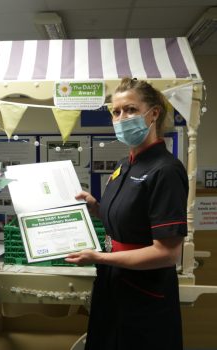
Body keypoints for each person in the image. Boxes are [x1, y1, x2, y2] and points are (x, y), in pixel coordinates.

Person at [66, 78, 188, 350]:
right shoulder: (125, 166)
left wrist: (99, 256)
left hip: (144, 293)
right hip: (112, 283)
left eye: (131, 109)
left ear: (153, 113)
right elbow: (129, 222)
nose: (122, 118)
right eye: (116, 112)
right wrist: (96, 208)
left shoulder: (165, 170)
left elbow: (167, 253)